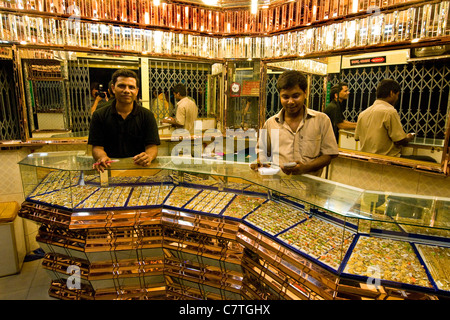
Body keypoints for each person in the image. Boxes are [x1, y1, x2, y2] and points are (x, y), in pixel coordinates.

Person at [251, 70, 339, 176]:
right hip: (277, 187)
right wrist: (260, 160)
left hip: (310, 189)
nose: (291, 101)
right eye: (285, 97)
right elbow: (262, 151)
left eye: (296, 96)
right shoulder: (270, 123)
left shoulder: (322, 120)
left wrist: (306, 168)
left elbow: (328, 155)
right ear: (280, 96)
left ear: (305, 93)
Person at [88, 69, 160, 172]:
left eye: (131, 87)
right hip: (109, 169)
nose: (127, 90)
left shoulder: (147, 116)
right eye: (122, 86)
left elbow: (152, 146)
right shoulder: (99, 115)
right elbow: (97, 147)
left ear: (137, 91)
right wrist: (102, 157)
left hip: (139, 170)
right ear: (113, 88)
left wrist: (148, 156)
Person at [355, 79, 414, 157]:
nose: (397, 98)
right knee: (429, 160)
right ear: (392, 93)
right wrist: (409, 137)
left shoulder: (363, 113)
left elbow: (356, 138)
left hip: (366, 157)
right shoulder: (390, 112)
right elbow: (399, 140)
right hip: (387, 158)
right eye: (397, 95)